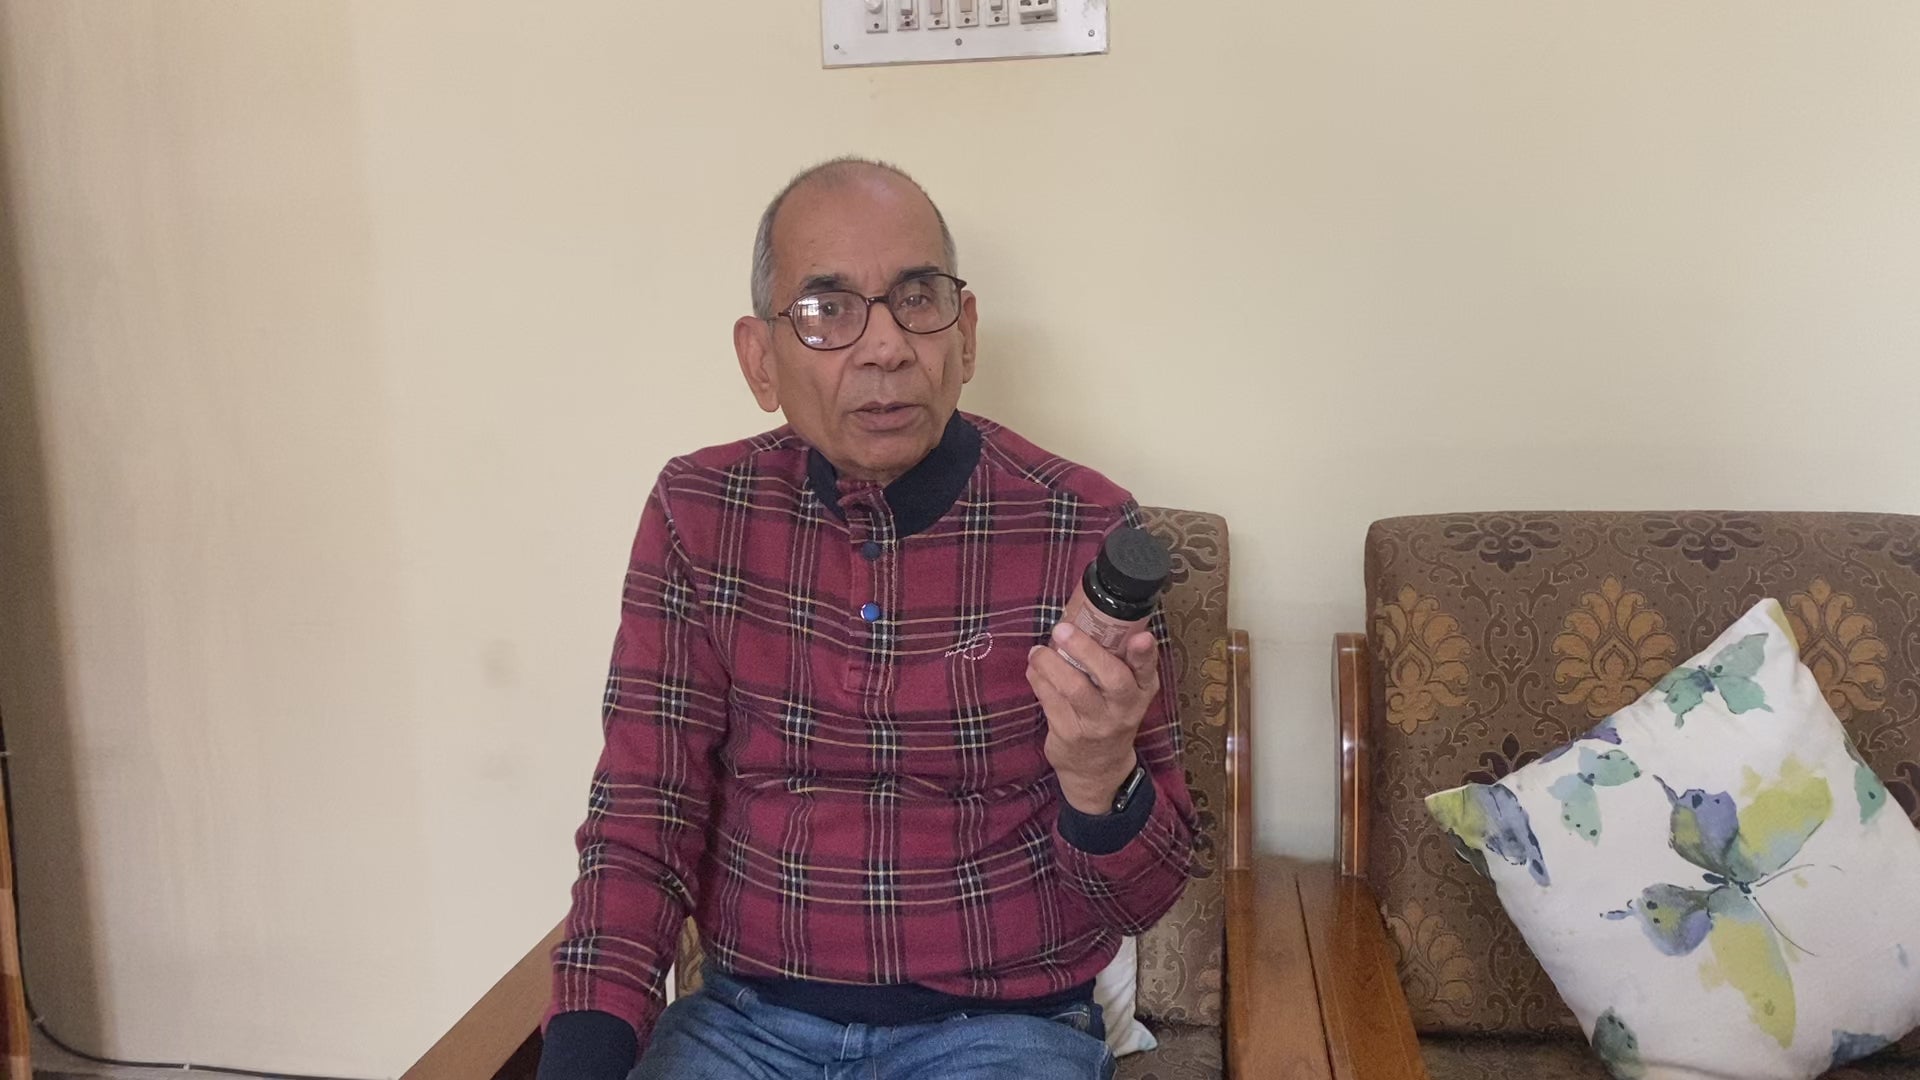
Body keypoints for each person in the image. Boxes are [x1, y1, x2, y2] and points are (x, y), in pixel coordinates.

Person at [537, 157, 1195, 1080]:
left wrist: (1100, 776)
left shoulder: (1079, 525)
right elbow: (644, 817)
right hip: (743, 1021)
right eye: (827, 310)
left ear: (965, 335)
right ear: (760, 360)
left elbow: (1148, 891)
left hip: (1000, 1027)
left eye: (917, 299)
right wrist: (584, 1052)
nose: (885, 348)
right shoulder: (699, 512)